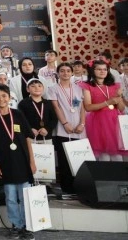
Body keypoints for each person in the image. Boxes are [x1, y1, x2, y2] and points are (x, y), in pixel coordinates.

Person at [0, 84, 36, 240]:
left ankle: (27, 225)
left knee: (24, 196)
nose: (1, 99)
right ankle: (16, 225)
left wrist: (32, 161)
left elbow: (27, 138)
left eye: (4, 96)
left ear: (9, 97)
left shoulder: (18, 114)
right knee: (10, 197)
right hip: (5, 163)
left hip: (22, 161)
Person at [46, 62, 85, 195]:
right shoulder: (53, 89)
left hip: (79, 129)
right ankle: (67, 189)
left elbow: (81, 108)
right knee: (64, 160)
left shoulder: (78, 88)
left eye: (68, 71)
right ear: (58, 73)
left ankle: (79, 188)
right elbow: (56, 107)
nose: (65, 73)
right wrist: (65, 123)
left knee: (78, 159)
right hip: (62, 129)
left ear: (72, 73)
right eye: (62, 71)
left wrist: (82, 124)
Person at [79, 60, 127, 161]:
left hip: (114, 121)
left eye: (105, 69)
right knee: (104, 156)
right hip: (98, 121)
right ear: (92, 71)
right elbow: (88, 107)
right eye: (99, 69)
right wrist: (107, 103)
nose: (102, 71)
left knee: (118, 157)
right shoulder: (87, 85)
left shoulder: (115, 85)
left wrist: (119, 97)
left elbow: (121, 108)